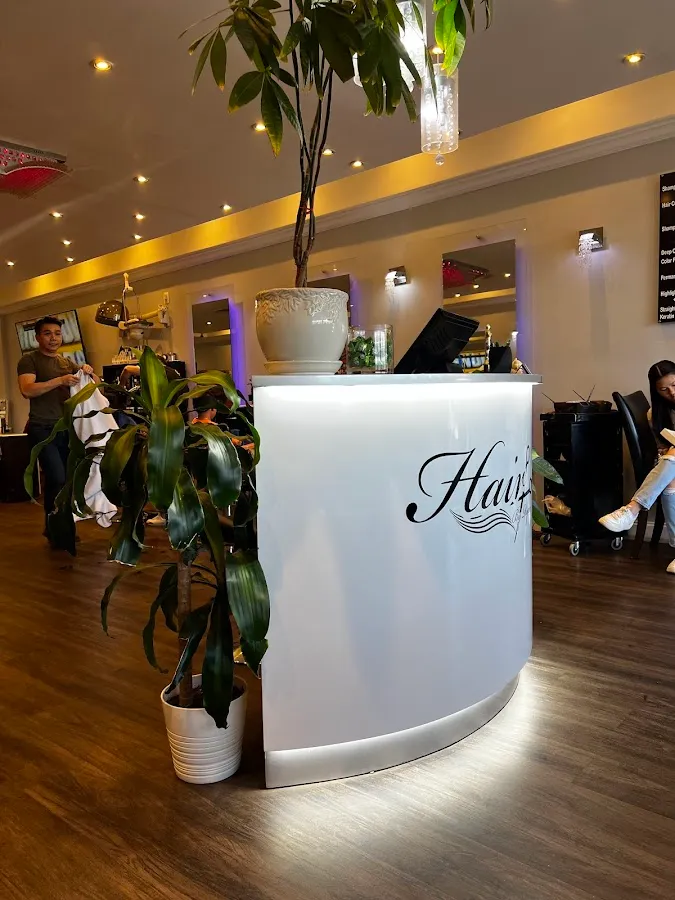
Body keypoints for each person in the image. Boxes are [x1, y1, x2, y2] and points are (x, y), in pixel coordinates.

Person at [17, 316, 99, 543]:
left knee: (67, 480)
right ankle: (57, 529)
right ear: (37, 337)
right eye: (47, 333)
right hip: (42, 428)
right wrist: (59, 381)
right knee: (56, 477)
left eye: (57, 333)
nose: (53, 338)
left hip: (67, 428)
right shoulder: (29, 360)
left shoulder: (66, 362)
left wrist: (88, 371)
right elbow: (27, 389)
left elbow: (95, 384)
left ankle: (58, 528)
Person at [600, 360, 675, 572]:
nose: (671, 392)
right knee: (671, 479)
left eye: (674, 385)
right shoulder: (655, 415)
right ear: (656, 391)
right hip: (671, 465)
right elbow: (661, 448)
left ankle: (632, 509)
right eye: (664, 389)